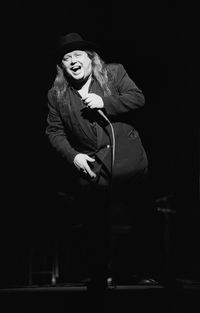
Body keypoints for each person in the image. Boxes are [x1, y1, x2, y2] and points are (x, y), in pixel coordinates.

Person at [45, 32, 156, 296]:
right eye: (66, 57)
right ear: (62, 66)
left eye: (77, 55)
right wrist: (74, 156)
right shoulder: (57, 94)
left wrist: (105, 102)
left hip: (130, 162)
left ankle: (150, 273)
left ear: (90, 58)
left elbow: (138, 97)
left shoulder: (114, 73)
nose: (72, 60)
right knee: (94, 225)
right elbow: (54, 131)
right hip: (94, 167)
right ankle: (97, 278)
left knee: (142, 219)